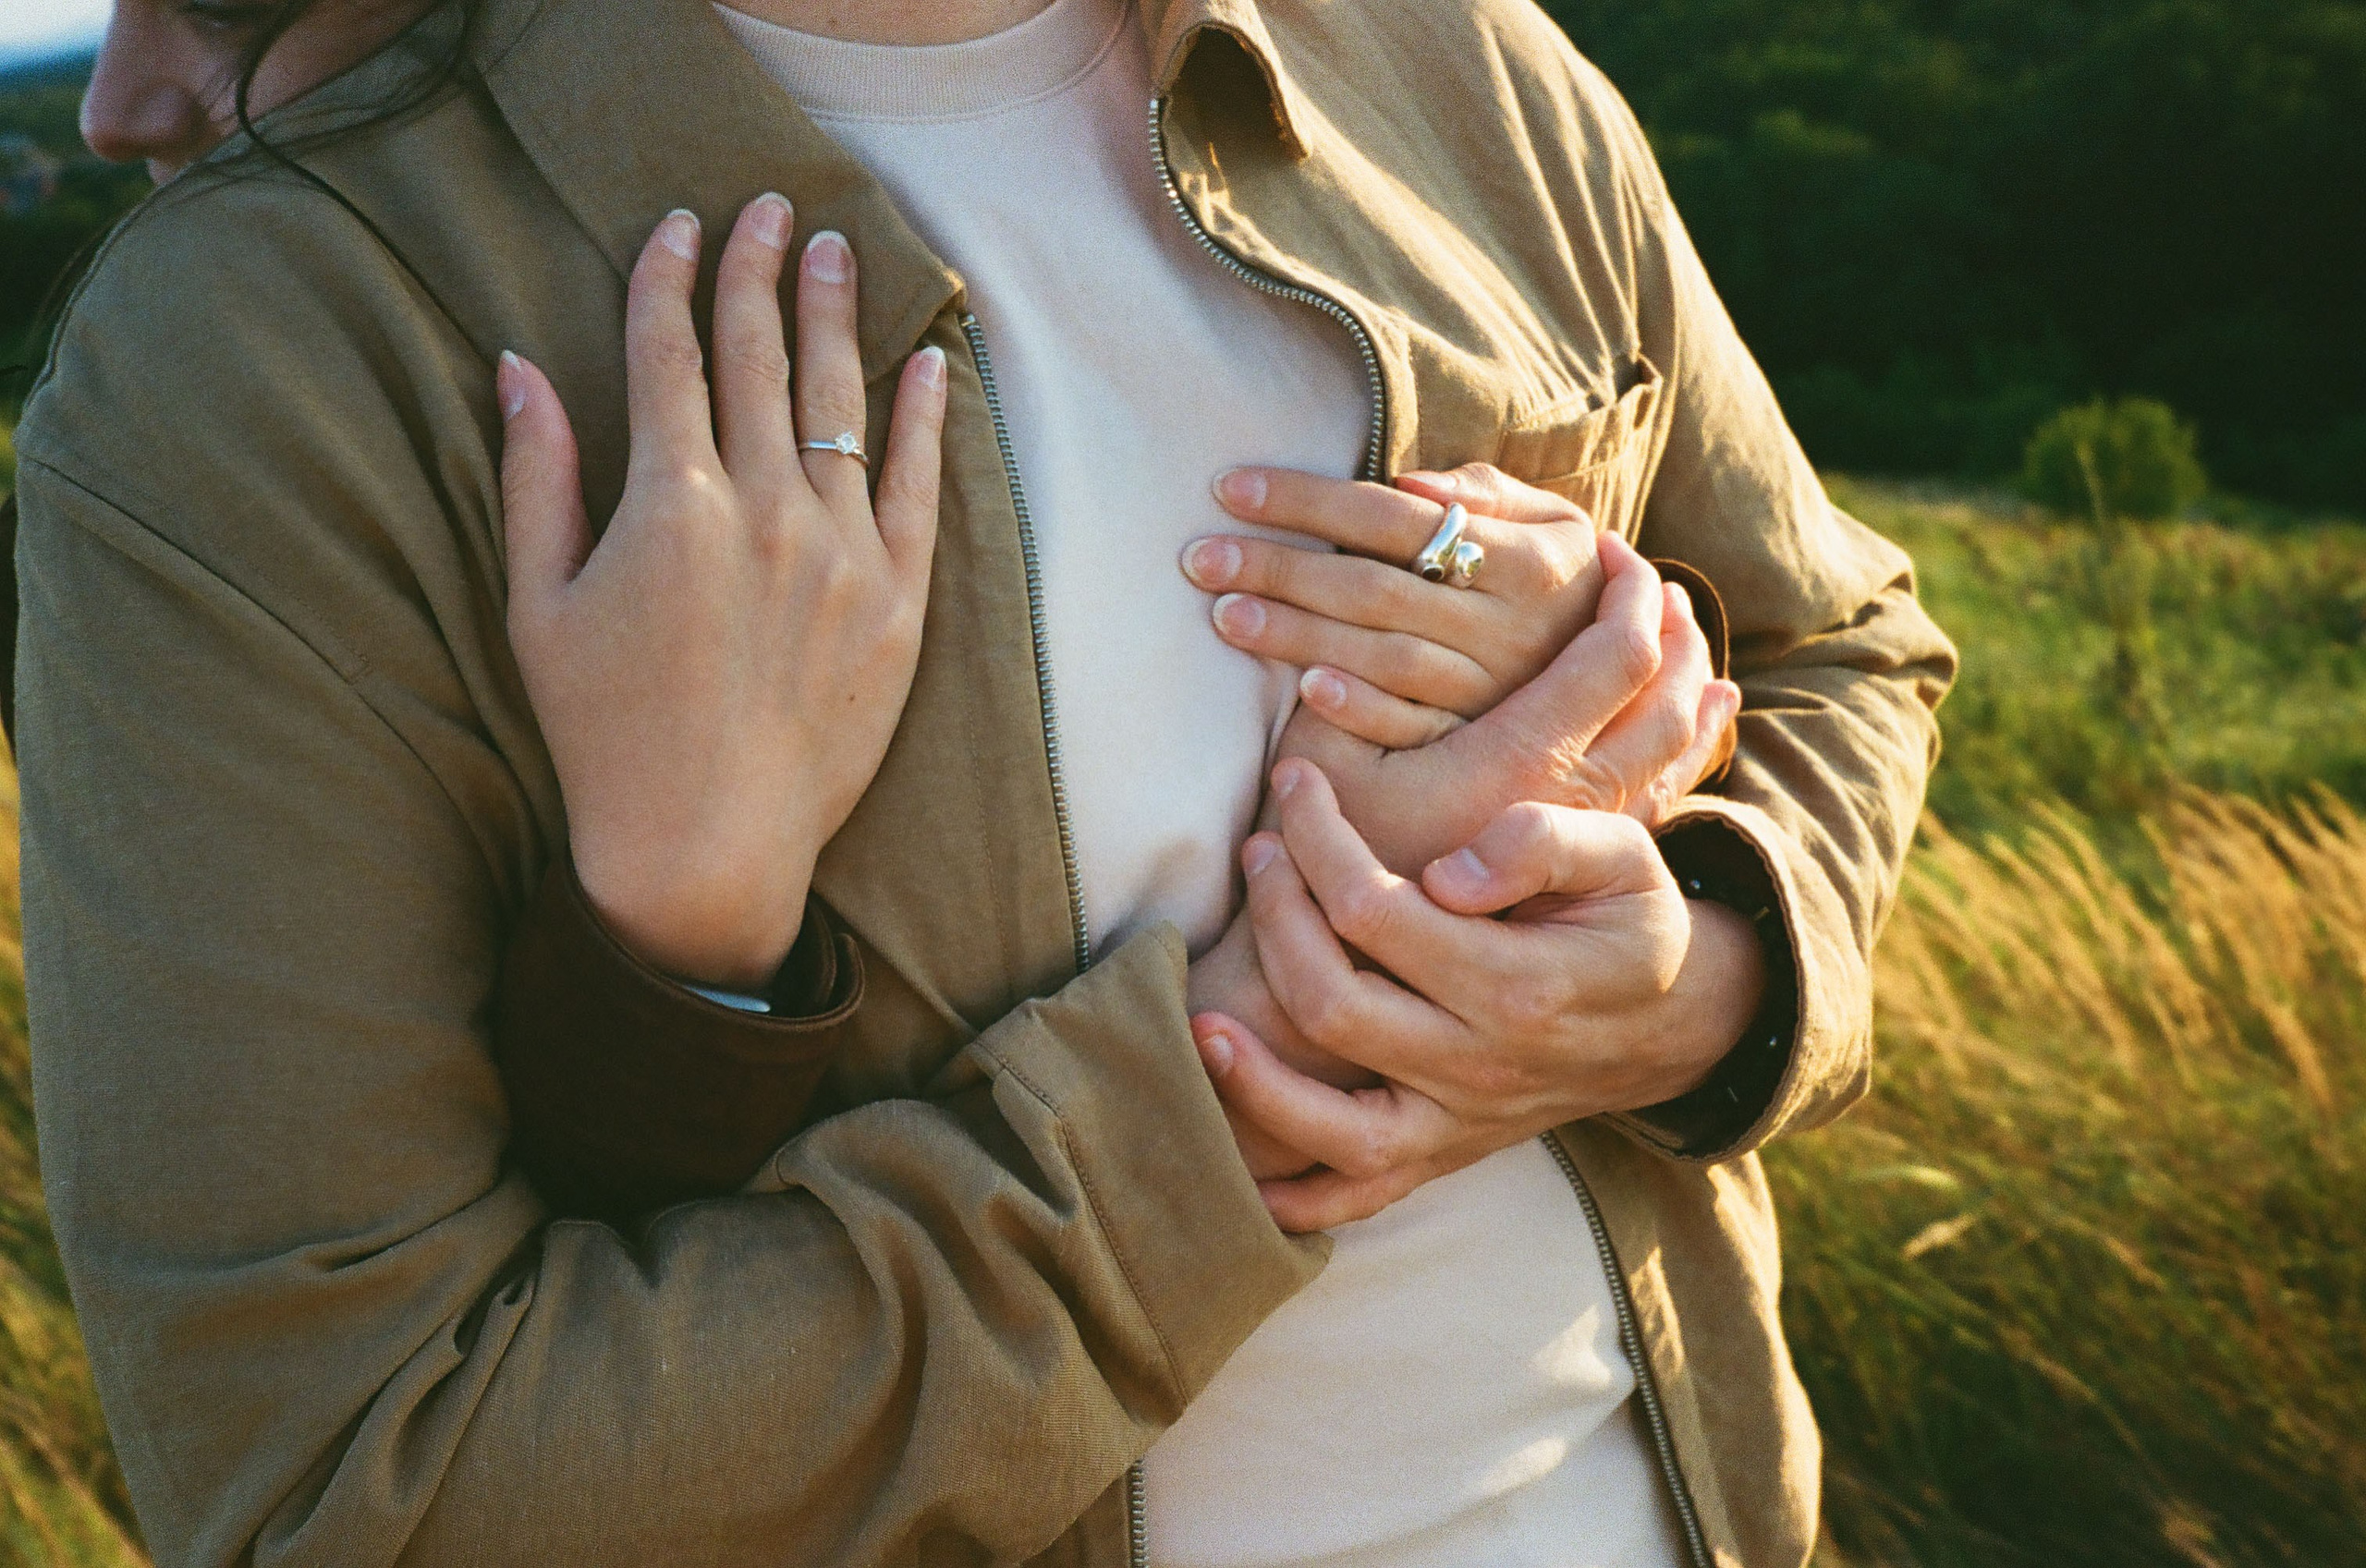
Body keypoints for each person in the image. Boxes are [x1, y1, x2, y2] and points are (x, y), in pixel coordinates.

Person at [10, 1, 1955, 1567]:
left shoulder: (1464, 65)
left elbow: (1839, 648)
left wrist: (1696, 973)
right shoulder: (270, 354)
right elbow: (351, 1486)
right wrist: (1253, 1081)